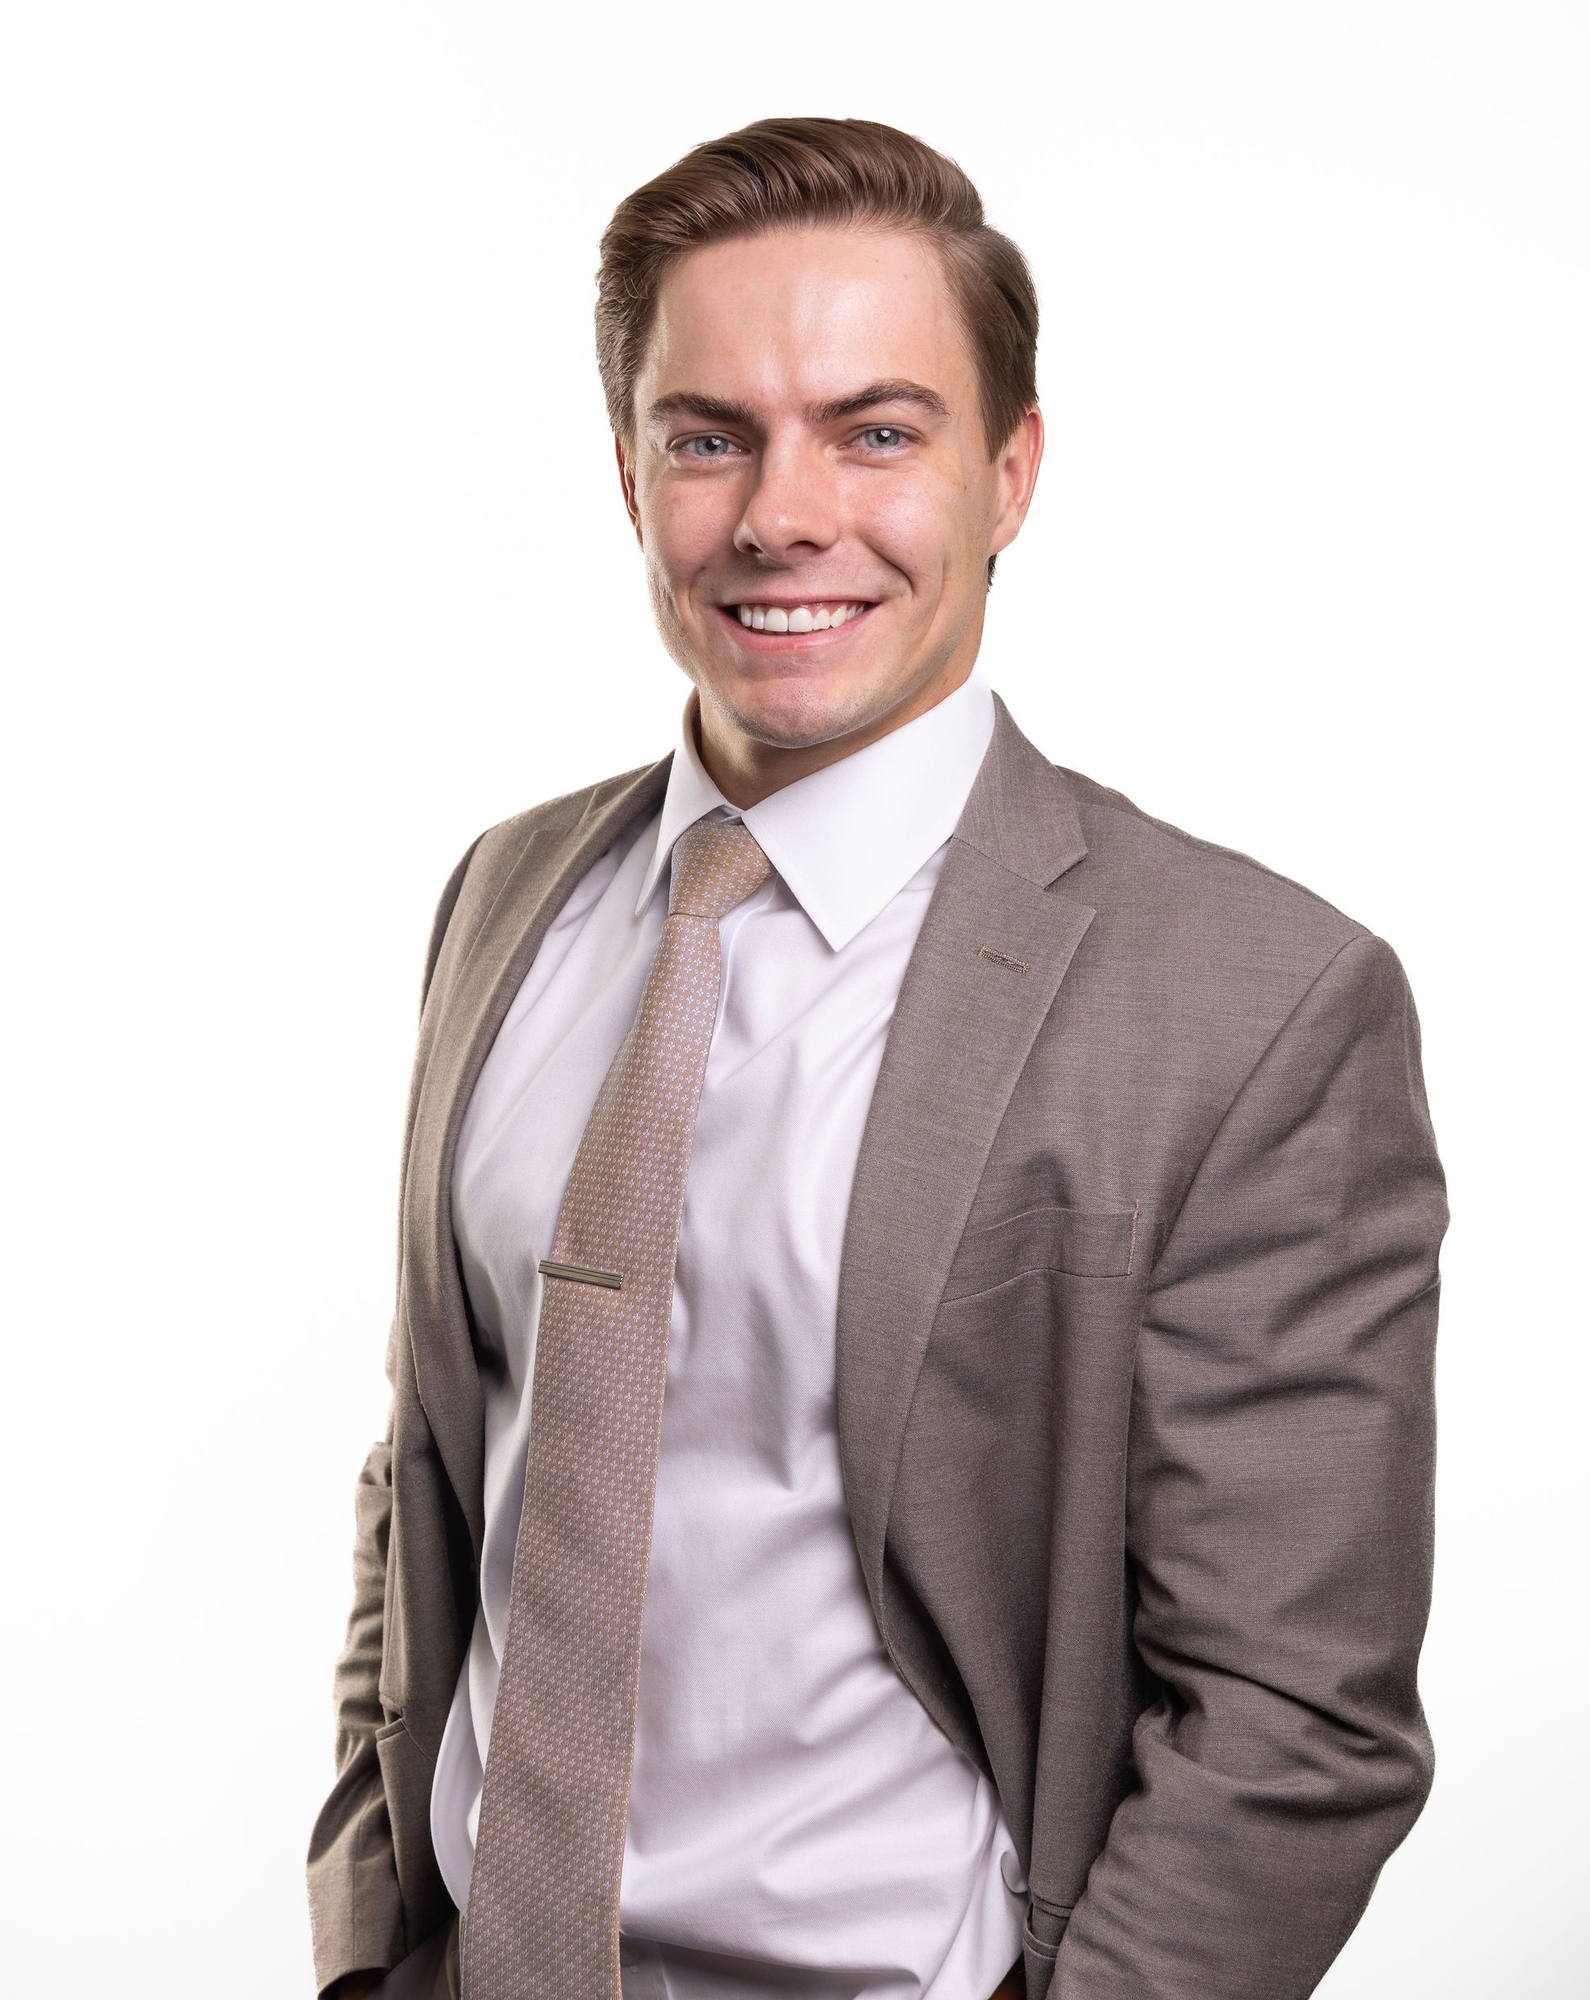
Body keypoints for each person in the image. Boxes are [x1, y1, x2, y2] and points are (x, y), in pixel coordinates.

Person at [307, 118, 1447, 2000]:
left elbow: (1295, 1724)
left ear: (1011, 473)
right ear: (628, 473)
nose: (783, 514)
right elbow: (435, 1464)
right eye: (710, 438)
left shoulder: (1253, 1004)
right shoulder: (508, 898)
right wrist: (369, 1948)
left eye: (876, 432)